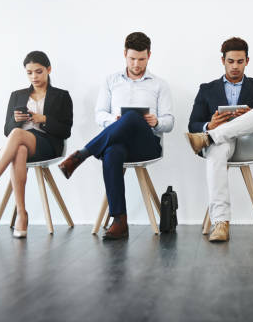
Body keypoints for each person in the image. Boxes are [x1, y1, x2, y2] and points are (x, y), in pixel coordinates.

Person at [58, 32, 174, 240]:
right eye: (132, 58)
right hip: (118, 141)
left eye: (141, 59)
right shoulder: (111, 81)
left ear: (149, 56)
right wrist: (115, 121)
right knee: (111, 153)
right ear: (124, 55)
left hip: (146, 143)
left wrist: (156, 121)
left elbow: (170, 122)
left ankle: (82, 154)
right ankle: (119, 220)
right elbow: (99, 114)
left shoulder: (159, 84)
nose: (136, 64)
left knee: (131, 117)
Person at [0, 51, 73, 238]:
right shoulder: (17, 95)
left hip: (47, 145)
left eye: (38, 72)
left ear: (48, 69)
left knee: (17, 136)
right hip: (20, 142)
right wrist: (16, 120)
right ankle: (22, 215)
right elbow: (7, 130)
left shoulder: (62, 96)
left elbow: (65, 131)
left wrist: (43, 119)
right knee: (19, 148)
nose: (34, 77)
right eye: (29, 73)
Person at [186, 37, 253, 242]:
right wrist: (210, 125)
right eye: (230, 61)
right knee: (217, 149)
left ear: (247, 61)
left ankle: (212, 136)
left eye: (239, 61)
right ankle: (220, 223)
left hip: (251, 143)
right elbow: (192, 125)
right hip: (223, 145)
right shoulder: (207, 89)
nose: (235, 66)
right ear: (223, 61)